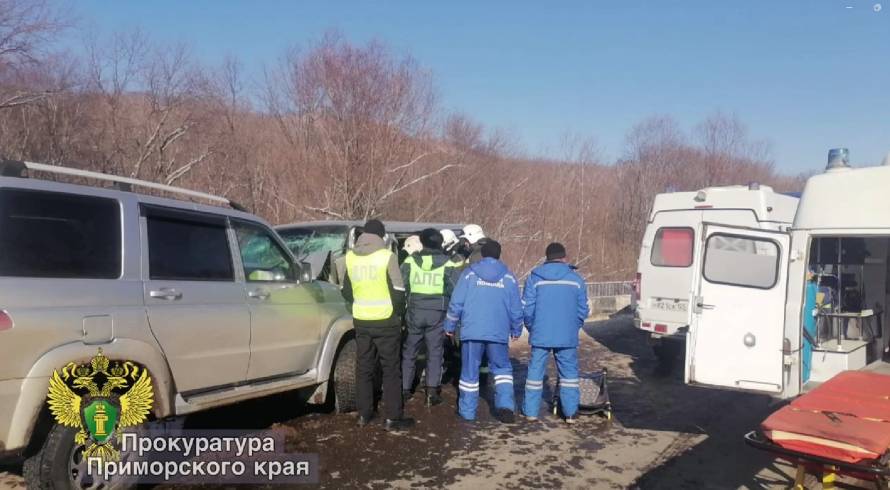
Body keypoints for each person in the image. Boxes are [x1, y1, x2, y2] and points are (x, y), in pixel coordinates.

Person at [340, 219, 414, 431]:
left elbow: (346, 291)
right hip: (386, 321)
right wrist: (398, 315)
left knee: (363, 368)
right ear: (381, 237)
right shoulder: (387, 257)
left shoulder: (351, 258)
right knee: (390, 370)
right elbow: (399, 292)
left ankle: (364, 414)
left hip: (362, 321)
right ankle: (393, 418)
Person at [444, 240, 523, 423]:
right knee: (502, 369)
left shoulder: (469, 274)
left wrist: (449, 326)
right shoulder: (509, 277)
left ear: (483, 254)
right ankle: (505, 406)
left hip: (472, 330)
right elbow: (516, 308)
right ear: (498, 254)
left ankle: (468, 412)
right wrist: (516, 328)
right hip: (498, 332)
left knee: (469, 372)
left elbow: (457, 302)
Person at [521, 243, 589, 424]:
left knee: (535, 373)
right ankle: (570, 414)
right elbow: (583, 309)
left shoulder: (535, 278)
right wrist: (575, 326)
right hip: (567, 334)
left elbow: (527, 309)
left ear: (547, 257)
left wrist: (531, 327)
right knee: (569, 375)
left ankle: (531, 413)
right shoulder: (576, 279)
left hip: (540, 333)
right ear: (564, 257)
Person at [400, 228, 459, 406]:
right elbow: (454, 288)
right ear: (440, 243)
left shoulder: (410, 261)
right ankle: (431, 392)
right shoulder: (449, 264)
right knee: (435, 352)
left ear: (422, 242)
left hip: (414, 311)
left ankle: (404, 390)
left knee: (410, 350)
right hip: (437, 313)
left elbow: (402, 285)